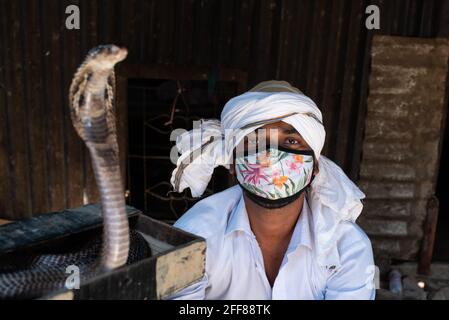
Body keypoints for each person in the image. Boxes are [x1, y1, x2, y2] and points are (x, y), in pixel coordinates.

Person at [167, 80, 375, 300]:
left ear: (314, 166)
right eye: (256, 141)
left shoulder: (346, 248)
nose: (272, 158)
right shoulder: (195, 235)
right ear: (231, 164)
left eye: (292, 141)